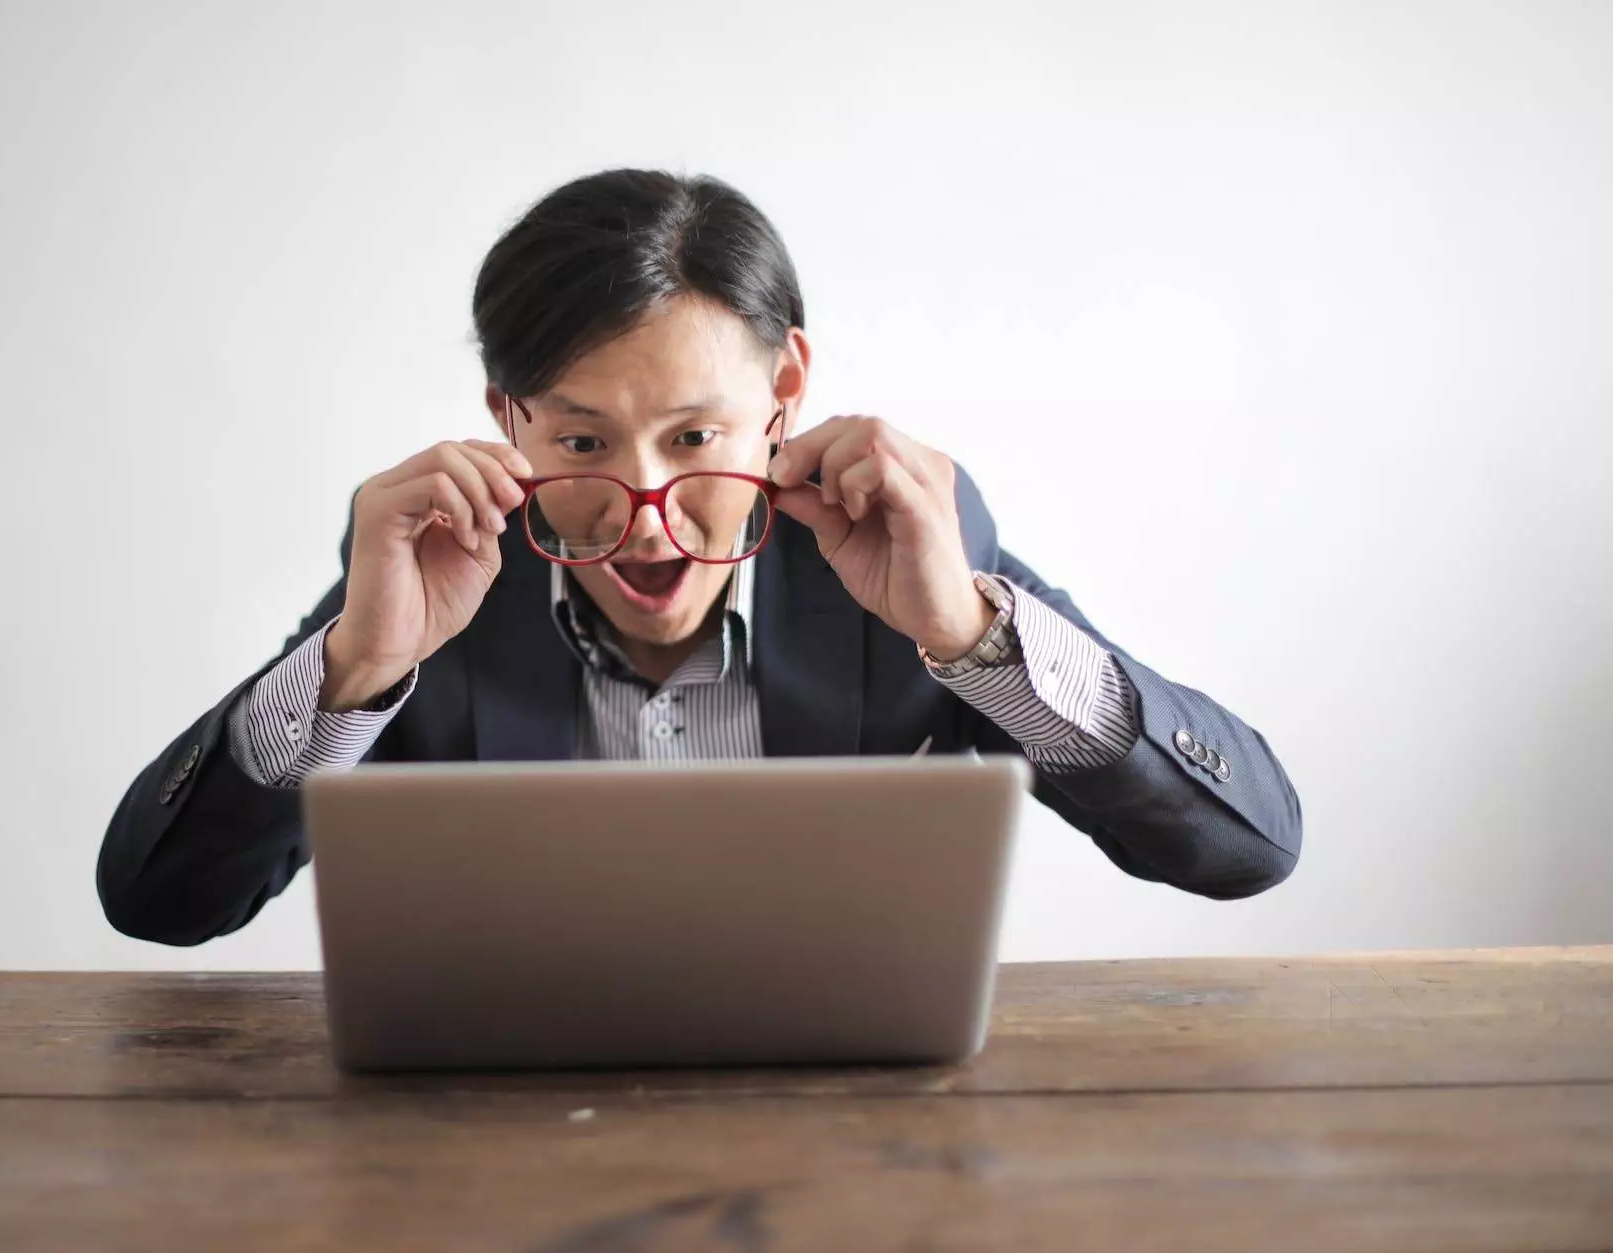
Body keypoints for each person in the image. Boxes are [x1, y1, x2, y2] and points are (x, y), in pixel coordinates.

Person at [98, 168, 1302, 947]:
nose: (647, 509)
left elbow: (1245, 848)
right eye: (580, 439)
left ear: (782, 394)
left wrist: (970, 639)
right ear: (506, 418)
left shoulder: (902, 545)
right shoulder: (439, 573)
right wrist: (354, 669)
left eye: (694, 437)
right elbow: (159, 904)